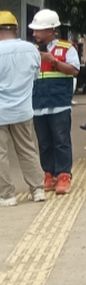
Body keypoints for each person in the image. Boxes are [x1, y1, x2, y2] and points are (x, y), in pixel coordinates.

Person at [29, 9, 80, 196]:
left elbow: (75, 70)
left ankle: (64, 175)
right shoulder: (31, 51)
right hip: (38, 105)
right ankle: (49, 174)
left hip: (59, 103)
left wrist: (54, 62)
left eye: (38, 30)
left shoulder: (67, 49)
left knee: (61, 141)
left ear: (51, 30)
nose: (34, 34)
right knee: (44, 142)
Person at [0, 11, 46, 206]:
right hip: (23, 110)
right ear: (16, 29)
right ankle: (38, 190)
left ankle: (7, 195)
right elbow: (35, 77)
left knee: (0, 154)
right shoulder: (31, 50)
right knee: (27, 150)